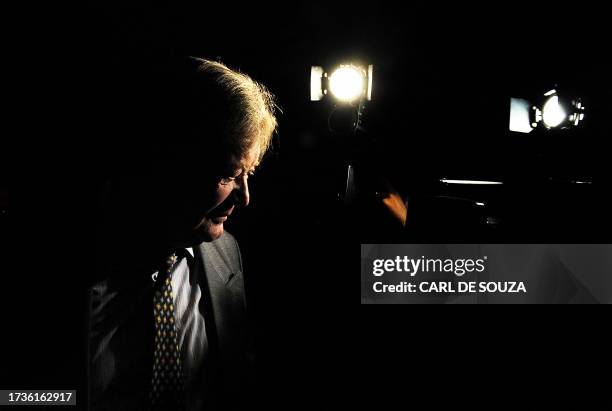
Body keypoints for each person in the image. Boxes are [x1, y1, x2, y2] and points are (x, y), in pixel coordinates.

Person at [88, 57, 278, 411]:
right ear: (170, 163)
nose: (245, 196)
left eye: (249, 172)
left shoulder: (228, 255)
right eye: (228, 175)